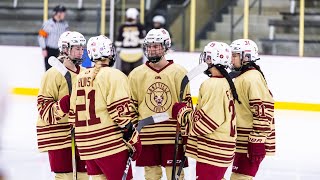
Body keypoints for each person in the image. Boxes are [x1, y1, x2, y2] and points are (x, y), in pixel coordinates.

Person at [68, 35, 142, 180]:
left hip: (86, 147)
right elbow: (120, 114)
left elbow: (72, 116)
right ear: (109, 52)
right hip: (110, 146)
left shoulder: (80, 77)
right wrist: (133, 138)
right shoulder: (114, 75)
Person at [128, 28, 191, 180]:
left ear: (166, 47)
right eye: (149, 46)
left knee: (175, 176)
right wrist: (135, 131)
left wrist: (187, 136)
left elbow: (187, 106)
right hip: (147, 136)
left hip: (172, 136)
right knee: (151, 176)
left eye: (156, 46)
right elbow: (131, 106)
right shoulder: (136, 74)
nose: (152, 49)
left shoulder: (179, 72)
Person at [172, 41, 240, 180]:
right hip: (222, 146)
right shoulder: (225, 82)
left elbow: (206, 122)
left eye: (207, 57)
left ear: (214, 59)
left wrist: (182, 113)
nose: (204, 60)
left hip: (214, 149)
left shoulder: (212, 84)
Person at [36, 31, 88, 180]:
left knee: (84, 176)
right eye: (77, 48)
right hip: (58, 136)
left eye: (82, 48)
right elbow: (43, 108)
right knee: (64, 176)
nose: (81, 52)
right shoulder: (52, 75)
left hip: (81, 134)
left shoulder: (86, 73)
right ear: (65, 49)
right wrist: (64, 105)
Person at [229, 39, 276, 180]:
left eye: (235, 55)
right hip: (243, 141)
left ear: (246, 57)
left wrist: (258, 140)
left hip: (250, 142)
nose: (231, 59)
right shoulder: (244, 76)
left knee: (240, 178)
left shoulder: (252, 78)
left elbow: (263, 111)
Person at [115, 8, 146, 76]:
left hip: (124, 54)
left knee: (126, 75)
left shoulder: (122, 27)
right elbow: (142, 41)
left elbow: (118, 42)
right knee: (138, 75)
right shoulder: (140, 26)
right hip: (137, 53)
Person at [38, 5, 69, 71]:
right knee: (49, 70)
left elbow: (66, 37)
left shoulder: (65, 24)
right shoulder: (48, 23)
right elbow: (41, 36)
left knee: (59, 71)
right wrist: (43, 48)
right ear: (58, 13)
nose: (64, 15)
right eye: (63, 13)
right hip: (50, 50)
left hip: (60, 51)